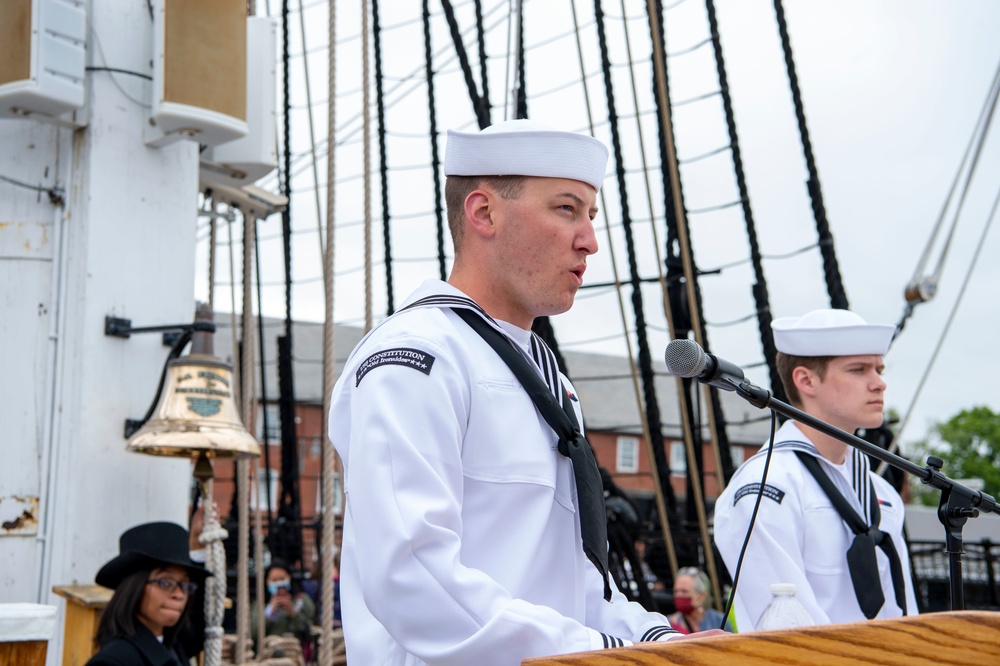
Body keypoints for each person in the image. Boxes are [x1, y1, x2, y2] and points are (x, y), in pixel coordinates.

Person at [328, 119, 710, 665]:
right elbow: (414, 576)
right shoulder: (417, 358)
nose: (590, 240)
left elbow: (574, 580)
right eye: (566, 209)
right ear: (484, 213)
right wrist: (602, 652)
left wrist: (663, 642)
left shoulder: (543, 376)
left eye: (591, 216)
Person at [713, 309, 918, 631]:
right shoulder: (767, 486)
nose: (879, 383)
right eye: (858, 370)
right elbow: (789, 628)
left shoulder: (883, 495)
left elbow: (903, 615)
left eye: (878, 369)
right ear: (806, 380)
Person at [86, 521, 209, 666]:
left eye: (185, 585)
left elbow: (198, 625)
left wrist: (198, 546)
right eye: (165, 583)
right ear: (134, 588)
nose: (179, 594)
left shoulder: (171, 646)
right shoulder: (112, 661)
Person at [250, 559, 316, 645]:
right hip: (269, 653)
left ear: (289, 578)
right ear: (267, 582)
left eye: (282, 579)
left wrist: (293, 613)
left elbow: (313, 629)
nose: (279, 584)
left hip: (296, 652)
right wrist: (269, 612)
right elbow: (253, 634)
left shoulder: (302, 600)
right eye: (274, 580)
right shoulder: (259, 604)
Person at [667, 567, 734, 634]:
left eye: (684, 591)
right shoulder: (668, 624)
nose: (679, 595)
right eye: (676, 591)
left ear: (702, 596)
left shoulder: (718, 620)